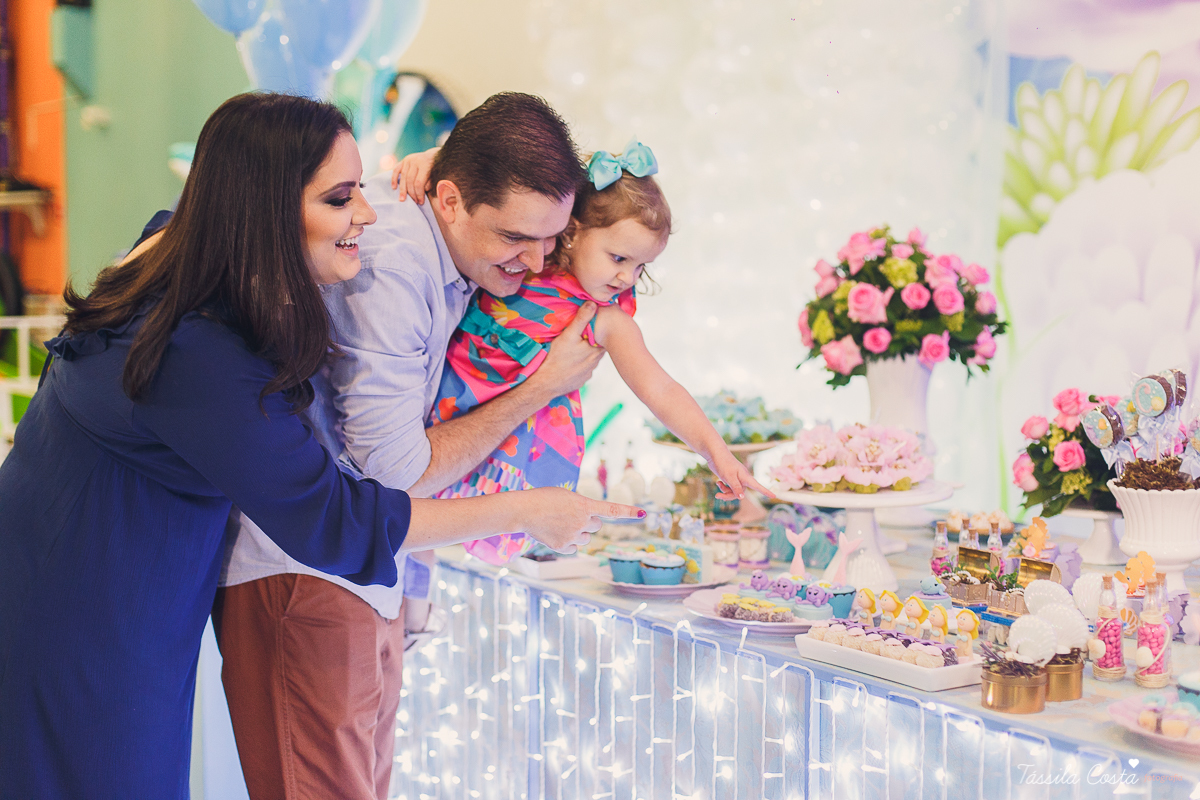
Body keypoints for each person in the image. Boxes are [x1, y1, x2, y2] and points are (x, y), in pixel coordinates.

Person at [0, 93, 637, 800]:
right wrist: (526, 508)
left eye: (361, 187)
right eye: (340, 198)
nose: (368, 212)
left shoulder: (189, 253)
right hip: (86, 603)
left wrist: (435, 174)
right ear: (264, 209)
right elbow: (339, 518)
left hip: (130, 584)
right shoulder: (198, 350)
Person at [214, 93, 610, 800]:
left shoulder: (450, 234)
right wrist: (541, 390)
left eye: (552, 239)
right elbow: (394, 473)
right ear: (450, 201)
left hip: (364, 567)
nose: (538, 260)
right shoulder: (393, 266)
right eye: (516, 237)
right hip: (307, 572)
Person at [394, 139, 773, 561]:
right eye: (619, 258)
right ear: (572, 231)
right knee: (409, 518)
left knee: (436, 531)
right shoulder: (523, 258)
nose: (628, 278)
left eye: (641, 266)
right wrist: (428, 159)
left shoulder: (605, 319)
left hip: (508, 438)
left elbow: (661, 389)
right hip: (438, 410)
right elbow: (490, 178)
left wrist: (716, 453)